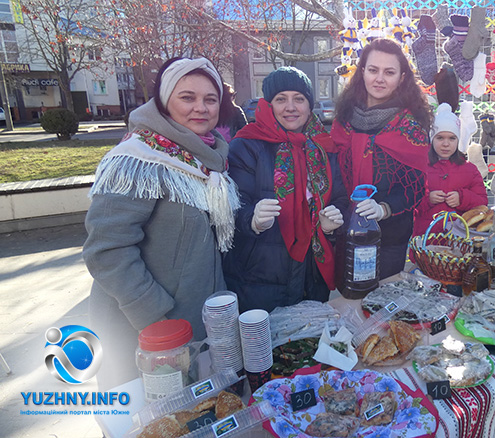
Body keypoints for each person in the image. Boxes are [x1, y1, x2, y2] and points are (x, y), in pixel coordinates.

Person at [83, 57, 240, 390]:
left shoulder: (205, 159)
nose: (201, 107)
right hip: (143, 331)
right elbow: (106, 251)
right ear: (165, 100)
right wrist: (154, 319)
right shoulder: (136, 158)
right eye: (187, 97)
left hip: (191, 326)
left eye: (210, 99)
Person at [223, 67, 348, 313]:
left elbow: (341, 197)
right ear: (268, 105)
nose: (290, 107)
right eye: (281, 99)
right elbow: (231, 208)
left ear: (309, 106)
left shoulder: (323, 147)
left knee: (309, 343)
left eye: (299, 99)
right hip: (259, 278)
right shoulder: (246, 146)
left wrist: (333, 221)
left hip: (312, 277)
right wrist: (253, 219)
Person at [331, 38, 431, 279]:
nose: (379, 79)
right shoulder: (344, 118)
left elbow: (417, 185)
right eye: (373, 70)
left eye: (389, 72)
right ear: (362, 71)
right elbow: (332, 172)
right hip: (344, 227)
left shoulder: (411, 126)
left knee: (380, 306)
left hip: (390, 236)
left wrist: (384, 208)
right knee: (346, 300)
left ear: (402, 77)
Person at [413, 103, 487, 236]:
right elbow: (407, 204)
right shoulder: (419, 168)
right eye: (440, 138)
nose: (446, 144)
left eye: (452, 138)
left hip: (460, 239)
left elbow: (482, 204)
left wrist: (462, 198)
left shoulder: (470, 170)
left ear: (458, 140)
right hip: (426, 237)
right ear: (432, 139)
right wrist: (427, 199)